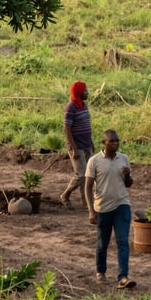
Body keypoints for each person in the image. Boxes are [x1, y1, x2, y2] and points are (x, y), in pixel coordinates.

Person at [84, 129, 136, 289]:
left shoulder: (124, 159)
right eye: (111, 141)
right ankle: (101, 272)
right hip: (103, 208)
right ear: (104, 143)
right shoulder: (94, 161)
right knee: (102, 243)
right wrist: (91, 211)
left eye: (117, 141)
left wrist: (127, 176)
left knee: (123, 241)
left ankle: (123, 277)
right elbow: (87, 187)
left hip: (122, 205)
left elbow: (128, 184)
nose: (115, 144)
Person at [59, 80, 94, 210]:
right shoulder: (70, 107)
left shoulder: (83, 105)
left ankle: (86, 202)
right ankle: (65, 195)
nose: (87, 93)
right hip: (77, 146)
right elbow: (66, 129)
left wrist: (91, 142)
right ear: (79, 93)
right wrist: (73, 148)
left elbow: (86, 126)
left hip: (86, 145)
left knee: (87, 174)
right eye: (85, 91)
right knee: (81, 174)